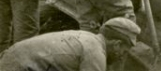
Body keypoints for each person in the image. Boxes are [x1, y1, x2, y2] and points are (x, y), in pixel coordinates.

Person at [0, 17, 140, 71]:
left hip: (11, 58)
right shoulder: (96, 53)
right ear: (116, 44)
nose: (122, 56)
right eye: (124, 51)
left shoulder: (88, 38)